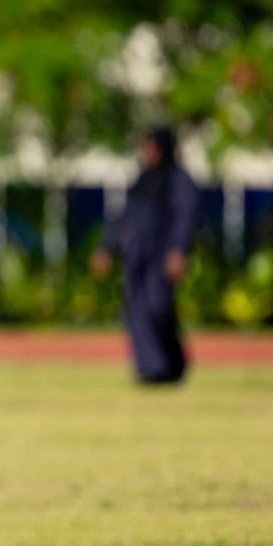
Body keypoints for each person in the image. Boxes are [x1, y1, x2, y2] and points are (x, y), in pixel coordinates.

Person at [90, 125, 200, 384]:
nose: (147, 152)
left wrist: (179, 250)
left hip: (163, 254)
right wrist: (106, 248)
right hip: (137, 254)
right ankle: (152, 368)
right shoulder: (142, 180)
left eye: (151, 146)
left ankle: (172, 362)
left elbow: (186, 218)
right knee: (137, 310)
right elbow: (123, 218)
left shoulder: (179, 180)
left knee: (158, 306)